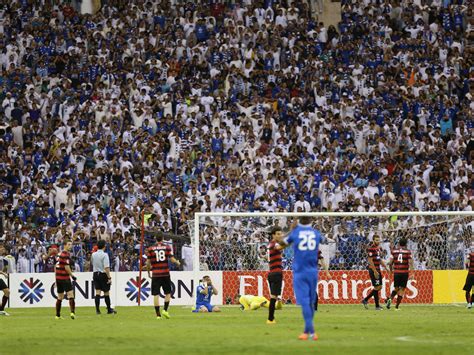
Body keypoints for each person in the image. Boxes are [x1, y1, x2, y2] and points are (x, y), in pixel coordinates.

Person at [278, 216, 324, 341]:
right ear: (310, 222)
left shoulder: (296, 233)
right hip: (313, 272)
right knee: (311, 302)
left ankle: (312, 332)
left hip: (300, 272)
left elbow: (280, 244)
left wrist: (291, 230)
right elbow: (322, 240)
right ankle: (306, 331)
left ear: (298, 222)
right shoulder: (316, 233)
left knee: (304, 302)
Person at [146, 233, 180, 319]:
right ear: (163, 238)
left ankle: (158, 315)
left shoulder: (150, 248)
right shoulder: (167, 247)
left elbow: (148, 263)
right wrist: (177, 262)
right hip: (165, 273)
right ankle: (165, 310)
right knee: (168, 293)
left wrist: (148, 271)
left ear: (155, 239)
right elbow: (172, 259)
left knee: (156, 294)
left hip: (156, 274)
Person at [362, 234, 389, 310]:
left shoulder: (378, 249)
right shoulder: (371, 249)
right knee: (377, 287)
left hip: (378, 269)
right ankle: (369, 301)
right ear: (373, 240)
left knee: (378, 287)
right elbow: (370, 261)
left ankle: (371, 302)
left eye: (378, 240)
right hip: (373, 270)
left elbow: (379, 260)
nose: (378, 241)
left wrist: (386, 267)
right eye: (376, 240)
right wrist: (375, 271)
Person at [386, 238, 414, 310]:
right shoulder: (408, 252)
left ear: (399, 243)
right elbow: (410, 262)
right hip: (404, 273)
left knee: (396, 288)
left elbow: (390, 262)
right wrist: (412, 273)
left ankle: (390, 299)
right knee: (402, 289)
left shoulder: (394, 251)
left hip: (397, 272)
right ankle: (397, 306)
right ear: (406, 244)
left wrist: (391, 271)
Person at [92, 240, 116, 315]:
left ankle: (97, 310)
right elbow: (106, 267)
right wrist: (109, 277)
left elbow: (92, 263)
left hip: (95, 274)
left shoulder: (93, 254)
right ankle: (109, 309)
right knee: (106, 292)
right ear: (104, 246)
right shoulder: (105, 255)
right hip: (103, 274)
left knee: (97, 292)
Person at [55, 240, 77, 320]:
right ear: (65, 245)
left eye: (71, 244)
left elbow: (56, 266)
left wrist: (55, 278)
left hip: (58, 278)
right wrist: (72, 276)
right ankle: (72, 312)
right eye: (69, 244)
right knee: (71, 295)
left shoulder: (59, 254)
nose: (70, 246)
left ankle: (57, 315)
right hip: (65, 278)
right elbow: (66, 267)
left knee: (60, 297)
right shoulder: (65, 254)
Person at [267, 226, 284, 324]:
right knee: (273, 297)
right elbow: (279, 247)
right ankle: (270, 319)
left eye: (280, 233)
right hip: (276, 273)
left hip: (271, 273)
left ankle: (271, 318)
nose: (280, 235)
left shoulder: (270, 244)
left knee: (274, 296)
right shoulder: (274, 244)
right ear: (273, 235)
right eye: (278, 234)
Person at [0, 245, 10, 316]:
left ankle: (1, 310)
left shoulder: (4, 259)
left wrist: (4, 271)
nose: (3, 250)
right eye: (1, 248)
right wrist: (4, 273)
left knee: (7, 292)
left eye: (3, 249)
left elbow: (4, 269)